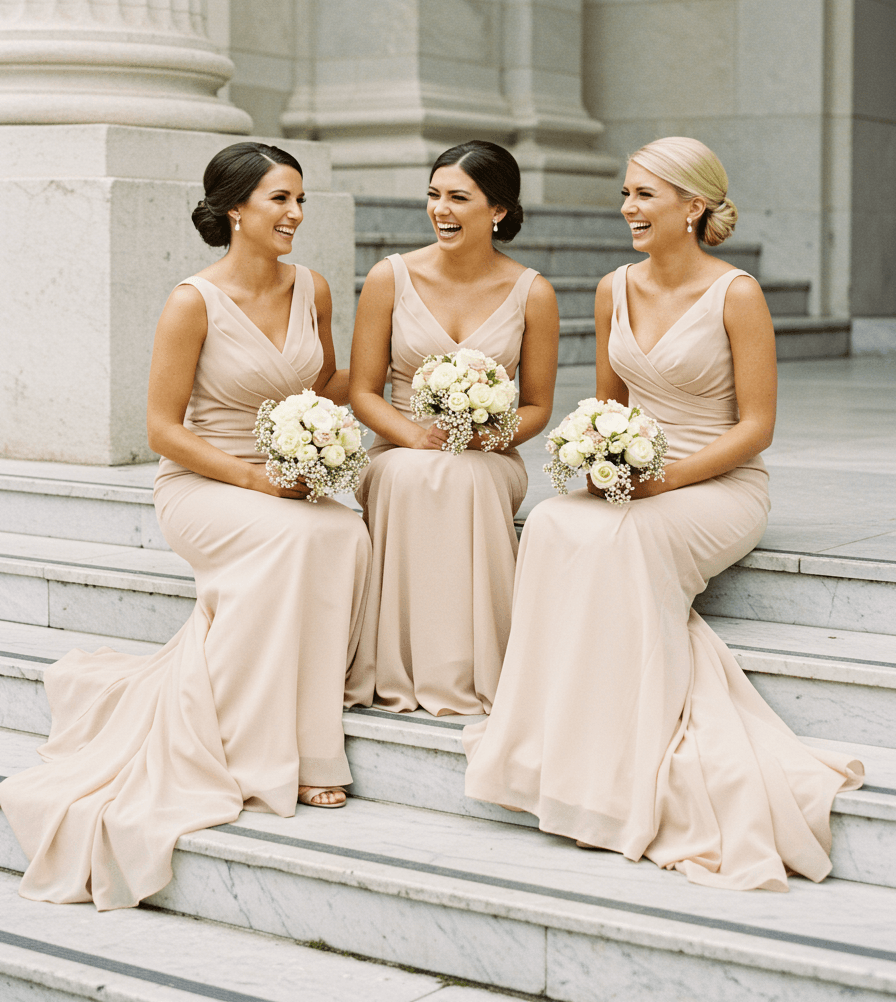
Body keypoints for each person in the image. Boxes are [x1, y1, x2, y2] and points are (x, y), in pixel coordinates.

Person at [463, 136, 863, 891]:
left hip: (720, 483)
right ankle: (551, 742)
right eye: (626, 193)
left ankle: (619, 764)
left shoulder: (736, 294)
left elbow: (757, 427)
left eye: (644, 194)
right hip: (638, 478)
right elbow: (607, 406)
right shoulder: (612, 288)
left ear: (693, 206)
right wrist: (598, 458)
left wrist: (667, 478)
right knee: (552, 523)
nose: (628, 208)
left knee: (628, 540)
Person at [0, 142, 371, 911]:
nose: (296, 214)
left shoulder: (314, 288)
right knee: (294, 536)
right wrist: (257, 479)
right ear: (236, 209)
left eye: (300, 200)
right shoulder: (191, 302)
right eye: (280, 199)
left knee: (341, 532)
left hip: (286, 475)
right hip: (205, 483)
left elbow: (325, 383)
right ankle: (269, 751)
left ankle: (307, 733)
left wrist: (379, 390)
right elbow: (162, 429)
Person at [345, 141, 559, 715]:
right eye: (434, 195)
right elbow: (362, 391)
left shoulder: (533, 292)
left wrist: (491, 436)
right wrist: (412, 435)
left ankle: (477, 665)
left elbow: (537, 406)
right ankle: (393, 663)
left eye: (459, 197)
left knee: (467, 477)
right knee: (410, 475)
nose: (441, 209)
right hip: (399, 443)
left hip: (489, 453)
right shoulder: (389, 278)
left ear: (498, 210)